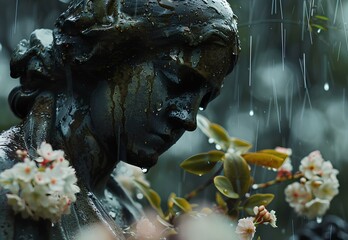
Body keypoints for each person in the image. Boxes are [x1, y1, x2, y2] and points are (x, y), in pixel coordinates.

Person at [0, 0, 239, 239]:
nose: (188, 119)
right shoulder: (8, 180)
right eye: (179, 81)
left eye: (203, 102)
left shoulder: (132, 213)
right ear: (113, 53)